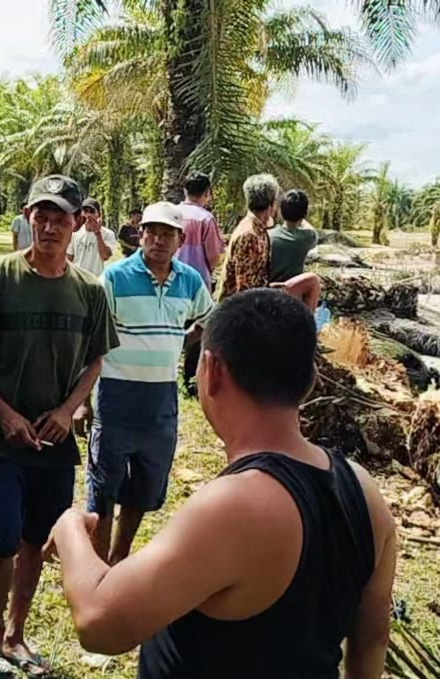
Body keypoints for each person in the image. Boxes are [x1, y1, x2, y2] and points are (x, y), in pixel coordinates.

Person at [46, 289, 397, 679]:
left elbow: (99, 623)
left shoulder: (238, 505)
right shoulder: (363, 491)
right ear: (310, 381)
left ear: (212, 370)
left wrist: (68, 527)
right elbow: (371, 639)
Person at [0, 175, 118, 678]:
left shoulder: (88, 291)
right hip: (1, 441)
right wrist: (5, 414)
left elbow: (95, 361)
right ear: (28, 218)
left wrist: (68, 411)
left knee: (35, 542)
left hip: (55, 444)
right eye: (40, 215)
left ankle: (17, 634)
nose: (48, 226)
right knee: (0, 542)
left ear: (77, 223)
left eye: (59, 217)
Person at [90, 202, 213, 565]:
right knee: (103, 490)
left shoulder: (190, 281)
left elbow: (209, 320)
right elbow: (93, 335)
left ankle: (118, 559)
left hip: (162, 403)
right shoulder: (114, 278)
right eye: (151, 232)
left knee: (143, 489)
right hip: (116, 397)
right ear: (139, 234)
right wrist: (82, 401)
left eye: (167, 234)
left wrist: (177, 340)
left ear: (181, 239)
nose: (158, 240)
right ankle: (98, 573)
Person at [176, 174, 225, 397]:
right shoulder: (206, 219)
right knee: (197, 331)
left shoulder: (173, 214)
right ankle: (189, 380)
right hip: (197, 283)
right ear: (207, 193)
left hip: (169, 279)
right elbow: (213, 255)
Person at [217, 174, 279, 301]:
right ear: (272, 202)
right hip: (238, 313)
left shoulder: (256, 229)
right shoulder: (249, 236)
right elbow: (244, 289)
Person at [269, 189, 319, 283]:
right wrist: (301, 217)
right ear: (305, 214)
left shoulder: (269, 236)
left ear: (281, 211)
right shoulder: (308, 237)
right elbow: (311, 229)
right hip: (294, 291)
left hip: (267, 290)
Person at [67, 197, 117, 277]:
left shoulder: (108, 234)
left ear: (99, 214)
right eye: (85, 211)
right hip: (77, 278)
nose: (88, 215)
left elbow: (105, 256)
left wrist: (97, 233)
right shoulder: (75, 233)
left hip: (96, 279)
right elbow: (69, 258)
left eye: (92, 212)